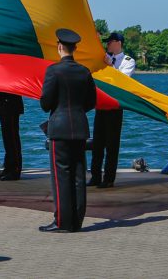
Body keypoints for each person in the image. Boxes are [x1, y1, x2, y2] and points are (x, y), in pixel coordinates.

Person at [39, 28, 97, 233]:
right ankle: (77, 221)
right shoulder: (84, 71)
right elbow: (92, 101)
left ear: (59, 47)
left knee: (60, 176)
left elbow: (45, 103)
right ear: (75, 48)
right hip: (80, 127)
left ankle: (63, 221)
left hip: (60, 128)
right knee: (79, 176)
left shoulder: (53, 71)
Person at [89, 32, 136, 188]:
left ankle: (109, 178)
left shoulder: (128, 61)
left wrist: (110, 65)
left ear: (118, 43)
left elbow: (121, 81)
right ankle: (95, 176)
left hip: (115, 106)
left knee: (112, 144)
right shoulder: (103, 59)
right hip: (101, 104)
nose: (107, 45)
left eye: (109, 42)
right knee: (97, 143)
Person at [0, 92, 23, 180]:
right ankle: (8, 167)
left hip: (11, 105)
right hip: (5, 105)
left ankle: (15, 170)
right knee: (7, 140)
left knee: (12, 139)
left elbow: (8, 89)